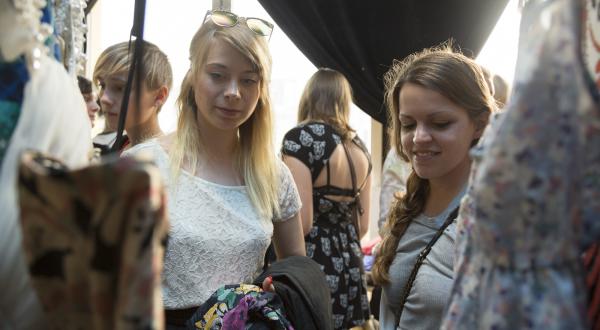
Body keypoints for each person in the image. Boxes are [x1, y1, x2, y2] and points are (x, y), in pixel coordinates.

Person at [122, 10, 306, 329]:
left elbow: (297, 274)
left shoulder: (273, 175)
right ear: (193, 76)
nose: (233, 92)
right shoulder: (143, 165)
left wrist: (276, 290)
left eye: (248, 80)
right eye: (218, 75)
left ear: (261, 89)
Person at [371, 45, 494, 330]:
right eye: (408, 124)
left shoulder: (495, 218)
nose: (419, 138)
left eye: (440, 123)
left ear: (479, 124)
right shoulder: (409, 205)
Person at [281, 68, 372, 329]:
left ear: (308, 96)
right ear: (344, 101)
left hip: (314, 261)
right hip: (350, 261)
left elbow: (303, 222)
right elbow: (362, 226)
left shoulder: (301, 139)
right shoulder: (360, 148)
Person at [92, 40, 172, 153]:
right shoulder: (120, 146)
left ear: (159, 96)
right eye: (102, 85)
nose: (104, 98)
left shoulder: (162, 161)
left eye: (120, 88)